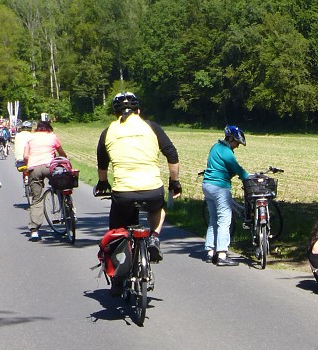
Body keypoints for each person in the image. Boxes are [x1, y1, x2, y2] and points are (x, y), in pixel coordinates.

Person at [94, 92, 180, 265]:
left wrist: (103, 182)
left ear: (115, 113)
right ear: (138, 111)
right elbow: (172, 153)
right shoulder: (151, 127)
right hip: (152, 190)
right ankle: (154, 237)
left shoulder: (108, 132)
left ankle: (118, 278)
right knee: (157, 208)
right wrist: (174, 182)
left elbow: (102, 163)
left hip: (123, 194)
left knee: (117, 231)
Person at [200, 125, 250, 266]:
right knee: (224, 220)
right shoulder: (227, 151)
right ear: (230, 138)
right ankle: (222, 254)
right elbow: (236, 168)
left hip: (207, 185)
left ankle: (210, 252)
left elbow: (218, 166)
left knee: (213, 218)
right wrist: (247, 176)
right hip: (220, 187)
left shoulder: (215, 147)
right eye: (236, 143)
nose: (237, 146)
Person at [21, 120, 67, 240]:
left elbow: (25, 156)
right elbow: (61, 152)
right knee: (61, 187)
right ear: (49, 128)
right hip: (50, 166)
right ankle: (67, 212)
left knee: (36, 198)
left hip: (34, 168)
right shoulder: (52, 137)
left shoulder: (30, 138)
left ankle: (34, 230)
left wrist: (29, 164)